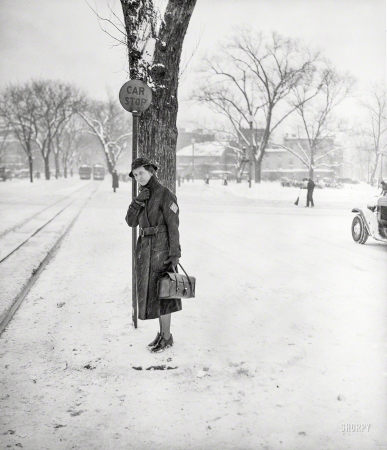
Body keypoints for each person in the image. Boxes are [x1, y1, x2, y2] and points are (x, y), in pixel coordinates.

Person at [125, 157, 182, 353]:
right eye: (135, 175)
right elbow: (130, 222)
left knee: (164, 294)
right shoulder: (142, 195)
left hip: (162, 251)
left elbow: (173, 226)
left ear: (151, 171)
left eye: (141, 173)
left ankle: (167, 336)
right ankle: (162, 334)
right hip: (145, 252)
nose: (138, 177)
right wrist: (137, 202)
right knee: (154, 295)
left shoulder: (165, 194)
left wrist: (175, 254)